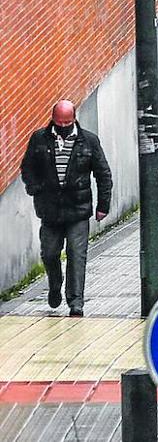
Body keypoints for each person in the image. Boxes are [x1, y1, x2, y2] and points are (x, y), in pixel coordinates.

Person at [20, 101, 112, 317]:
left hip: (78, 208)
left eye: (67, 122)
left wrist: (103, 205)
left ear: (74, 119)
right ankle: (54, 284)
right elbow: (27, 167)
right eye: (59, 122)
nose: (63, 126)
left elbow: (103, 173)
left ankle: (75, 301)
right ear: (52, 118)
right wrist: (35, 188)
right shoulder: (39, 139)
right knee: (49, 253)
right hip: (50, 210)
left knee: (76, 253)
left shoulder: (88, 141)